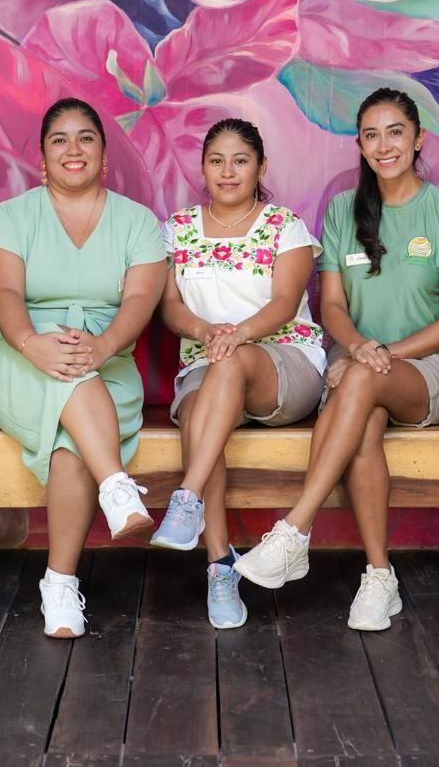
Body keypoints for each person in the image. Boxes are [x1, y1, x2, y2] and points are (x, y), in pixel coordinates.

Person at [233, 88, 439, 631]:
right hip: (357, 368)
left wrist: (376, 354)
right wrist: (357, 350)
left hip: (431, 367)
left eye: (395, 132)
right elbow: (334, 307)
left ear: (419, 139)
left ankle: (295, 530)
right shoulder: (343, 209)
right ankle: (378, 577)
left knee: (359, 382)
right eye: (371, 135)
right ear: (360, 146)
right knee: (363, 421)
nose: (384, 144)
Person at [0, 98, 165, 639]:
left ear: (104, 156)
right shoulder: (13, 216)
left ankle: (58, 584)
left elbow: (141, 300)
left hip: (110, 362)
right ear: (42, 158)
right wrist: (32, 342)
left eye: (86, 138)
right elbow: (4, 292)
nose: (73, 149)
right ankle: (115, 488)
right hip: (16, 358)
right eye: (59, 139)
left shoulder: (137, 222)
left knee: (71, 441)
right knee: (71, 384)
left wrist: (101, 347)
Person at [151, 118, 326, 629]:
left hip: (283, 364)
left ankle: (187, 501)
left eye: (240, 160)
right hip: (208, 363)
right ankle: (219, 566)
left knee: (227, 369)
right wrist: (207, 331)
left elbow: (284, 303)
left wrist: (236, 334)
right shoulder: (177, 228)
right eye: (216, 160)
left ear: (261, 167)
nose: (227, 171)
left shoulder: (284, 226)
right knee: (209, 408)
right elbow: (168, 306)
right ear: (202, 167)